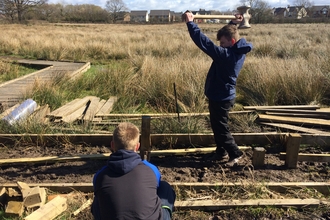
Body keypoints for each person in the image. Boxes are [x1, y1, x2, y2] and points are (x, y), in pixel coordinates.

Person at [182, 11, 253, 166]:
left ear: (232, 41)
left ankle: (235, 154)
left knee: (221, 128)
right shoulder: (237, 49)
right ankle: (221, 151)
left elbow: (204, 43)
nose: (221, 46)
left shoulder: (227, 56)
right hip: (221, 95)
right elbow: (230, 33)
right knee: (216, 125)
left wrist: (191, 24)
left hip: (222, 97)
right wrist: (234, 23)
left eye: (223, 43)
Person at [91, 122, 176, 220]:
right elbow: (155, 188)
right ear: (137, 146)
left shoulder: (100, 176)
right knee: (164, 187)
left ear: (112, 145)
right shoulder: (151, 170)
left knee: (98, 200)